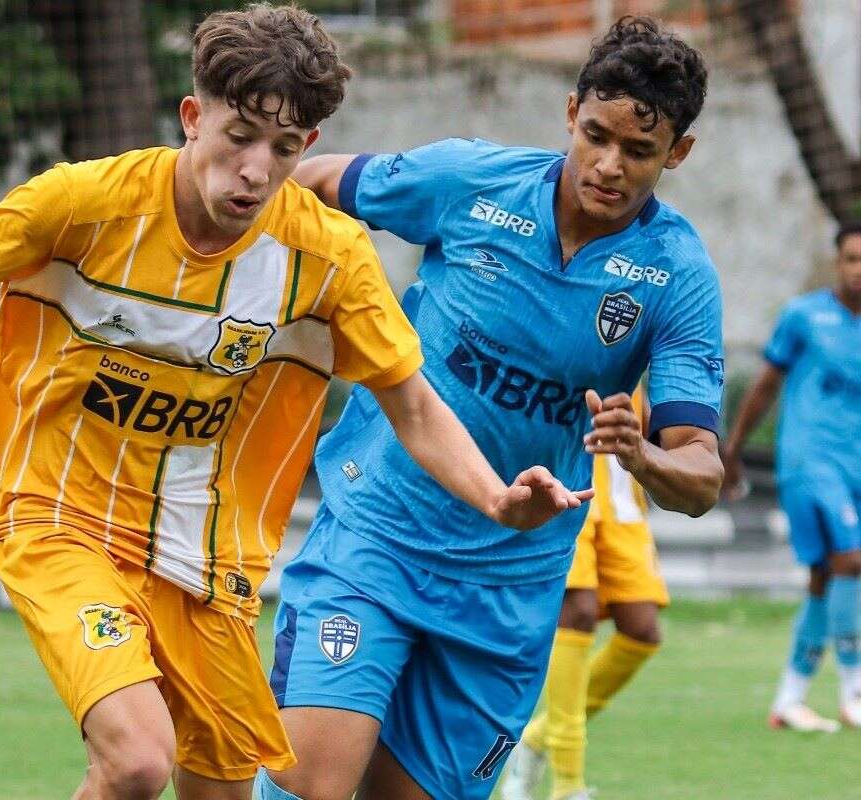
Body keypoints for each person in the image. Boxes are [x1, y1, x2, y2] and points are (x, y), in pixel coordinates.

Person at [0, 6, 585, 799]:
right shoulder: (84, 203)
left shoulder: (325, 256)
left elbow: (415, 405)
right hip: (57, 514)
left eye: (283, 151)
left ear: (309, 142)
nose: (254, 171)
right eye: (239, 136)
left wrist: (494, 496)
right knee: (137, 760)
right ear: (192, 116)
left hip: (201, 559)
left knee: (222, 785)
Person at [258, 17, 724, 800]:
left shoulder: (676, 274)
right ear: (571, 111)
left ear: (677, 153)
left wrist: (644, 456)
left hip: (508, 585)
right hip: (378, 538)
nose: (608, 166)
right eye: (597, 135)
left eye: (639, 151)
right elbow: (305, 183)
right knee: (311, 784)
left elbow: (702, 473)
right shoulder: (469, 180)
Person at [722, 222, 861, 733]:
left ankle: (789, 698)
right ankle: (854, 692)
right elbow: (763, 386)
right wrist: (732, 450)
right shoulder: (804, 317)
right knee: (849, 559)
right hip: (809, 460)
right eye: (851, 259)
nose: (858, 270)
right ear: (836, 262)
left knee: (825, 576)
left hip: (856, 467)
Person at [503, 389, 668, 800]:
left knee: (641, 630)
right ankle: (569, 785)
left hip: (620, 494)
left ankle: (538, 738)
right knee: (577, 610)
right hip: (566, 482)